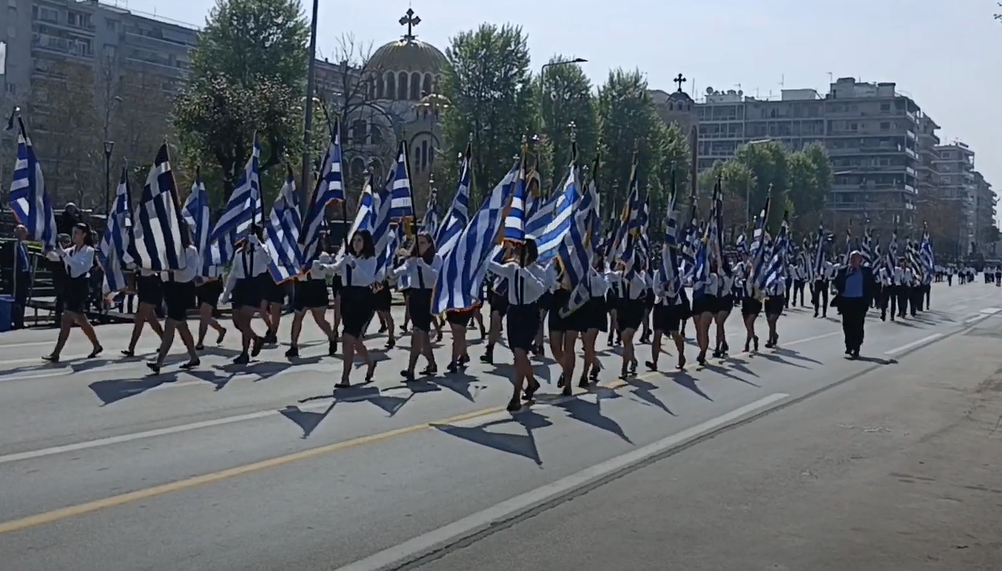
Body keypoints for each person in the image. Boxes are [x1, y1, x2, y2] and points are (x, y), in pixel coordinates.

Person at [42, 223, 103, 362]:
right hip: (71, 286)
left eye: (76, 233)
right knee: (81, 320)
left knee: (66, 318)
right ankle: (96, 345)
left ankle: (56, 353)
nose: (73, 235)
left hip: (81, 286)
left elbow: (78, 268)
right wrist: (47, 250)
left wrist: (63, 254)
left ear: (84, 235)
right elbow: (56, 257)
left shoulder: (88, 251)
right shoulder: (72, 250)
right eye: (73, 232)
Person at [332, 229, 378, 388]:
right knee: (355, 339)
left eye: (359, 240)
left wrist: (354, 265)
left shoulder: (370, 259)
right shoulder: (348, 257)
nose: (356, 243)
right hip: (348, 298)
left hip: (362, 299)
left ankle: (345, 377)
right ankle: (370, 363)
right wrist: (322, 266)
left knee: (347, 337)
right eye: (354, 240)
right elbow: (336, 269)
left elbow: (366, 279)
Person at [148, 237, 201, 374]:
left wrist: (173, 269)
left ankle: (159, 362)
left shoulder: (190, 251)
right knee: (182, 326)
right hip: (169, 289)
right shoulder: (167, 249)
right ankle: (194, 357)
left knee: (170, 324)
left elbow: (189, 273)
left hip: (182, 291)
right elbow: (162, 271)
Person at [833, 250, 877, 359]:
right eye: (851, 258)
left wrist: (874, 299)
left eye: (855, 258)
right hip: (846, 301)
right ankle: (848, 345)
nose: (852, 260)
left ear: (860, 260)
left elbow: (873, 285)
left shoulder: (866, 272)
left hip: (860, 302)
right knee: (847, 325)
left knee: (858, 325)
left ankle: (856, 347)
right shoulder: (843, 271)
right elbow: (836, 282)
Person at [11, 225, 31, 329]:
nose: (24, 234)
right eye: (22, 232)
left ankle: (21, 320)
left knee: (23, 299)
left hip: (25, 276)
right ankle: (14, 320)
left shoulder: (24, 246)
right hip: (16, 276)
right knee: (16, 300)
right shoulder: (12, 245)